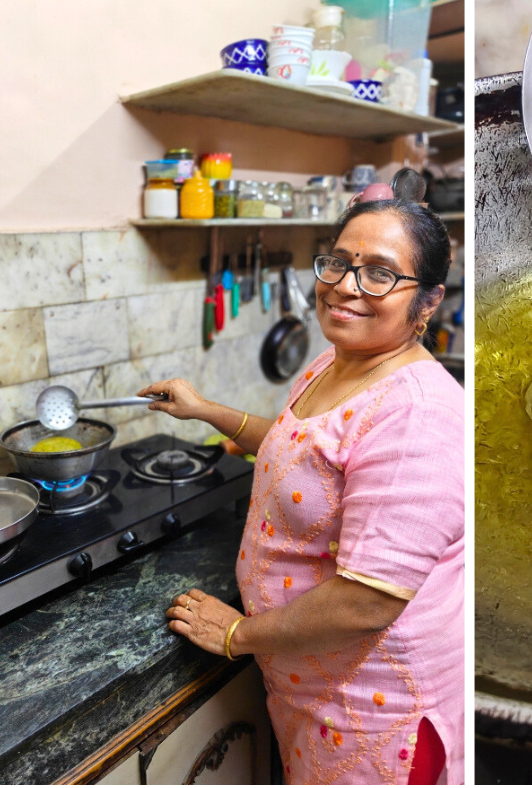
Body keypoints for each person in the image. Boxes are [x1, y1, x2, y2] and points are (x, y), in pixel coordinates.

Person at [139, 200, 464, 785]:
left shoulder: (419, 414)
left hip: (374, 713)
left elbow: (368, 601)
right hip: (313, 691)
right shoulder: (334, 362)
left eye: (380, 273)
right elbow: (302, 448)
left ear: (429, 300)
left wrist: (237, 633)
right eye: (338, 263)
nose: (345, 287)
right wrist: (204, 410)